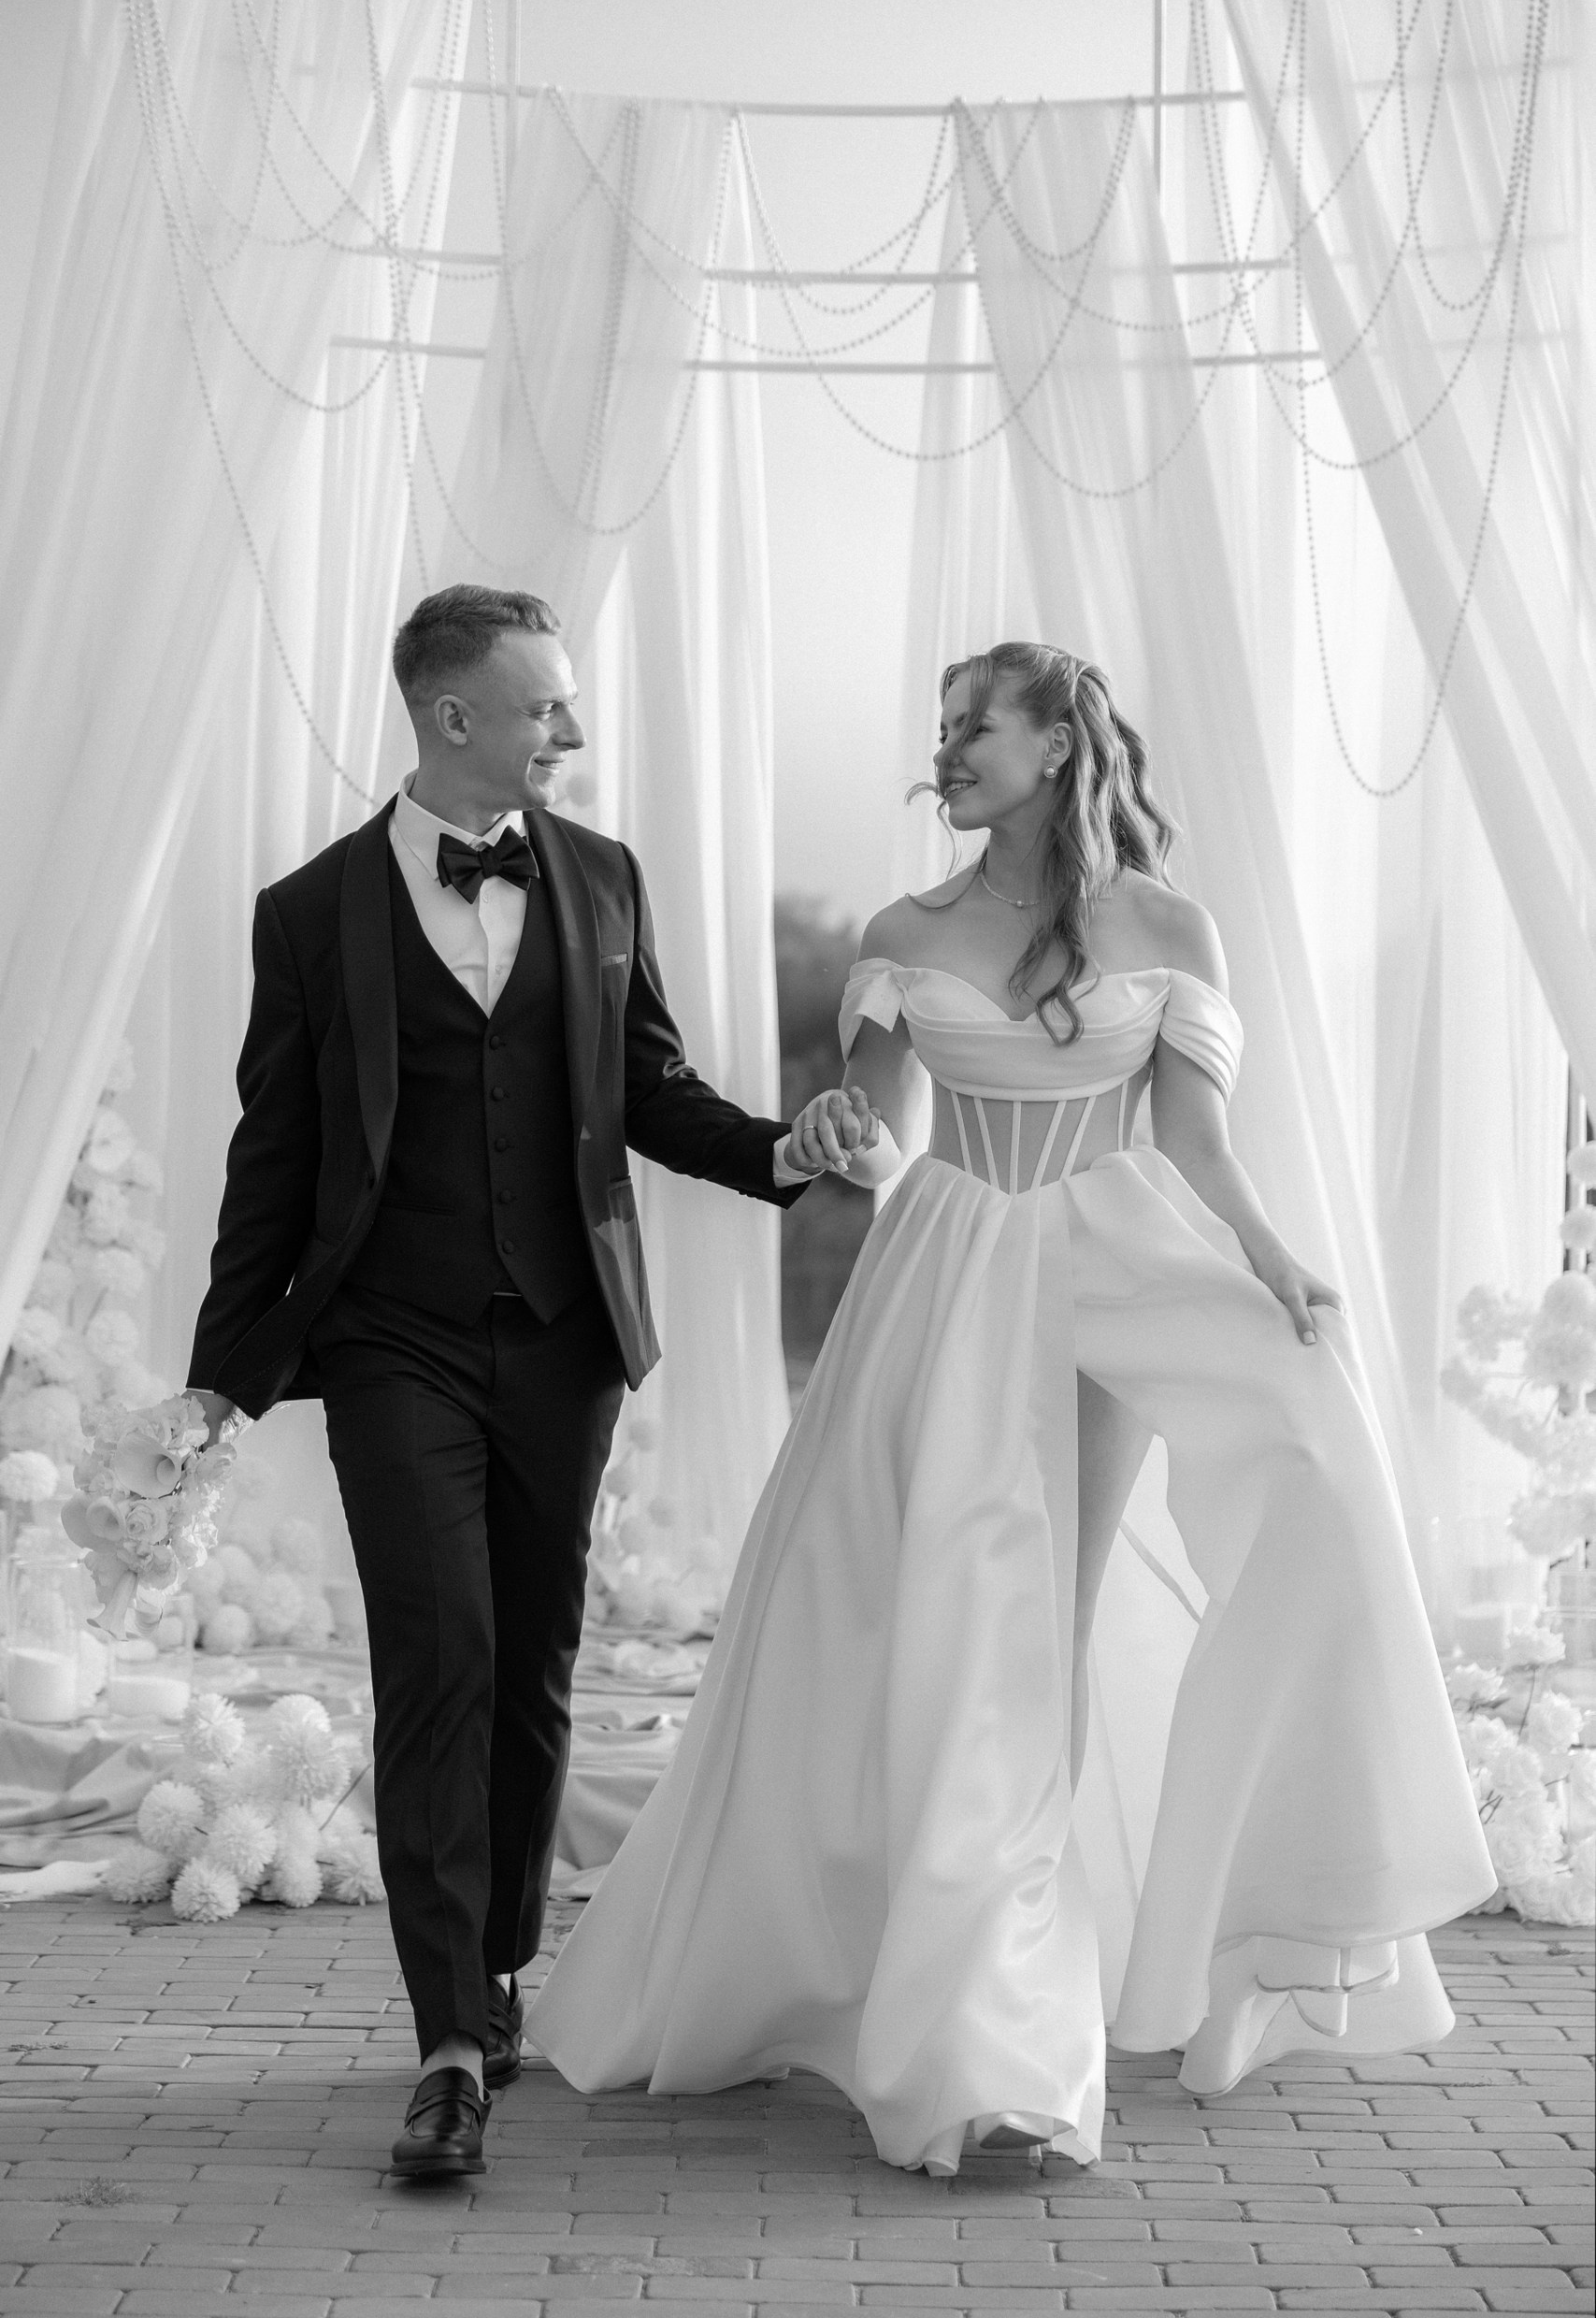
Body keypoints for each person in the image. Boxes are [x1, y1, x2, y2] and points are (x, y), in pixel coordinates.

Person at [527, 639, 1495, 2176]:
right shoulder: (905, 932)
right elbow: (886, 1131)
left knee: (1059, 1623)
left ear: (1057, 745)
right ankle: (976, 2038)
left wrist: (1272, 1260)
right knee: (953, 1627)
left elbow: (1196, 1142)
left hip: (1109, 1274)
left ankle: (1036, 2004)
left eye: (977, 724)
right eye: (942, 725)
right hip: (947, 1278)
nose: (949, 748)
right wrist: (840, 1129)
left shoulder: (1168, 926)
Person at [185, 583, 848, 2181]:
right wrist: (219, 1373)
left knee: (534, 1659)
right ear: (453, 715)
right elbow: (276, 1145)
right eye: (547, 704)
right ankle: (446, 2044)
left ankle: (494, 1970)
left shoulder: (602, 877)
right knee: (441, 1655)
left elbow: (650, 1087)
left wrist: (784, 1153)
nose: (572, 730)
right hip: (390, 1338)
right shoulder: (309, 912)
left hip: (564, 1337)